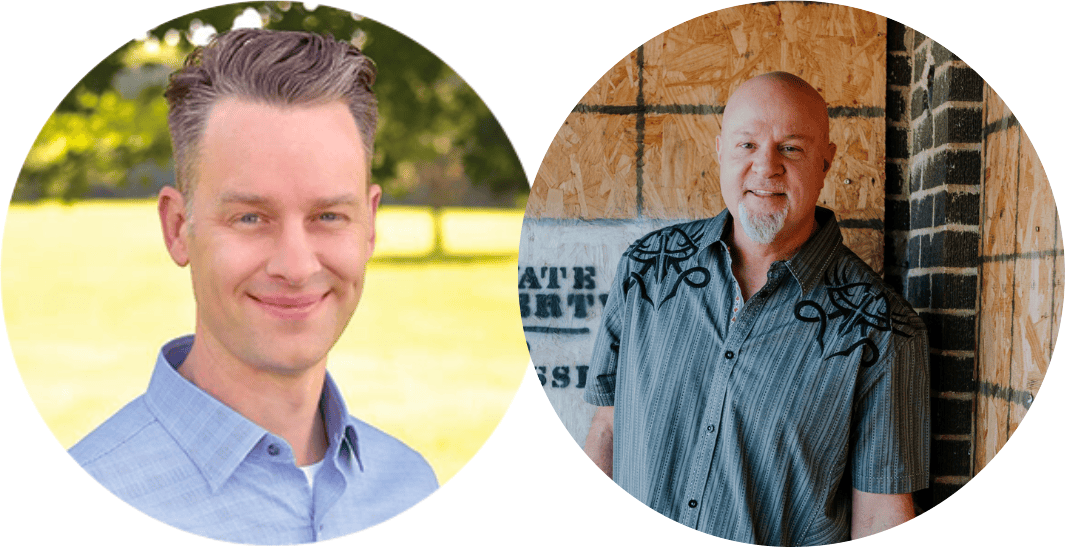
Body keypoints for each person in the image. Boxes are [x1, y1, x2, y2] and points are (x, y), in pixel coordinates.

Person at [69, 28, 437, 544]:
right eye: (250, 218)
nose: (295, 265)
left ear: (369, 226)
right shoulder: (82, 508)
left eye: (329, 215)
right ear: (178, 228)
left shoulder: (414, 488)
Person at [582, 71, 929, 546]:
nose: (766, 167)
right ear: (720, 150)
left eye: (791, 147)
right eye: (747, 145)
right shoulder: (647, 270)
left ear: (826, 161)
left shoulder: (881, 329)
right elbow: (607, 429)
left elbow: (881, 518)